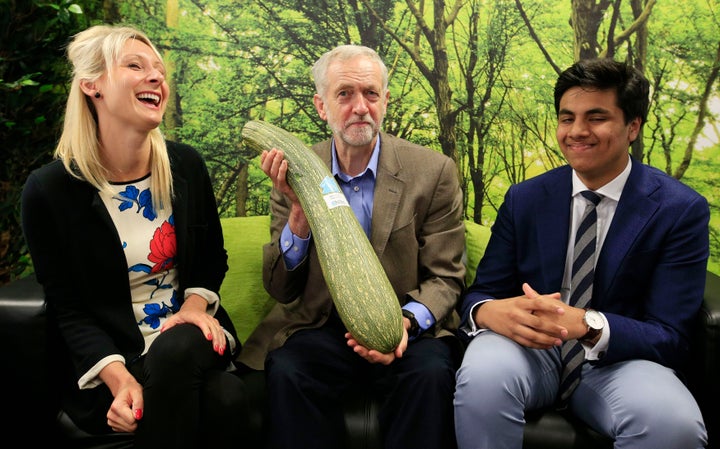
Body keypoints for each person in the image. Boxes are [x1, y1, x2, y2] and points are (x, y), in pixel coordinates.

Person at [453, 58, 709, 448]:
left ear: (633, 127)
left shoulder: (679, 210)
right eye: (567, 118)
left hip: (621, 362)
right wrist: (487, 310)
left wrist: (589, 325)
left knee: (674, 425)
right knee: (483, 374)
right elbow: (482, 292)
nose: (577, 132)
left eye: (596, 117)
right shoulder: (525, 199)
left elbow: (671, 335)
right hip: (529, 349)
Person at [21, 24, 249, 449]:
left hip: (191, 337)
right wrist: (120, 379)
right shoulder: (48, 190)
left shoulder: (187, 166)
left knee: (178, 348)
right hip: (114, 359)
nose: (156, 77)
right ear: (93, 86)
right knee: (227, 398)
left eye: (159, 70)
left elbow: (211, 260)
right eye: (135, 65)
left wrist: (196, 309)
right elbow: (67, 308)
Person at [236, 44, 466, 449]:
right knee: (289, 369)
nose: (360, 106)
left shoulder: (433, 172)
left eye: (371, 94)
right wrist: (298, 217)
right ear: (322, 106)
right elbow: (281, 289)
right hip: (323, 327)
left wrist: (406, 324)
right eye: (344, 94)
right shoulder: (295, 170)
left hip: (405, 329)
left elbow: (446, 277)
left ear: (385, 101)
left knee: (430, 376)